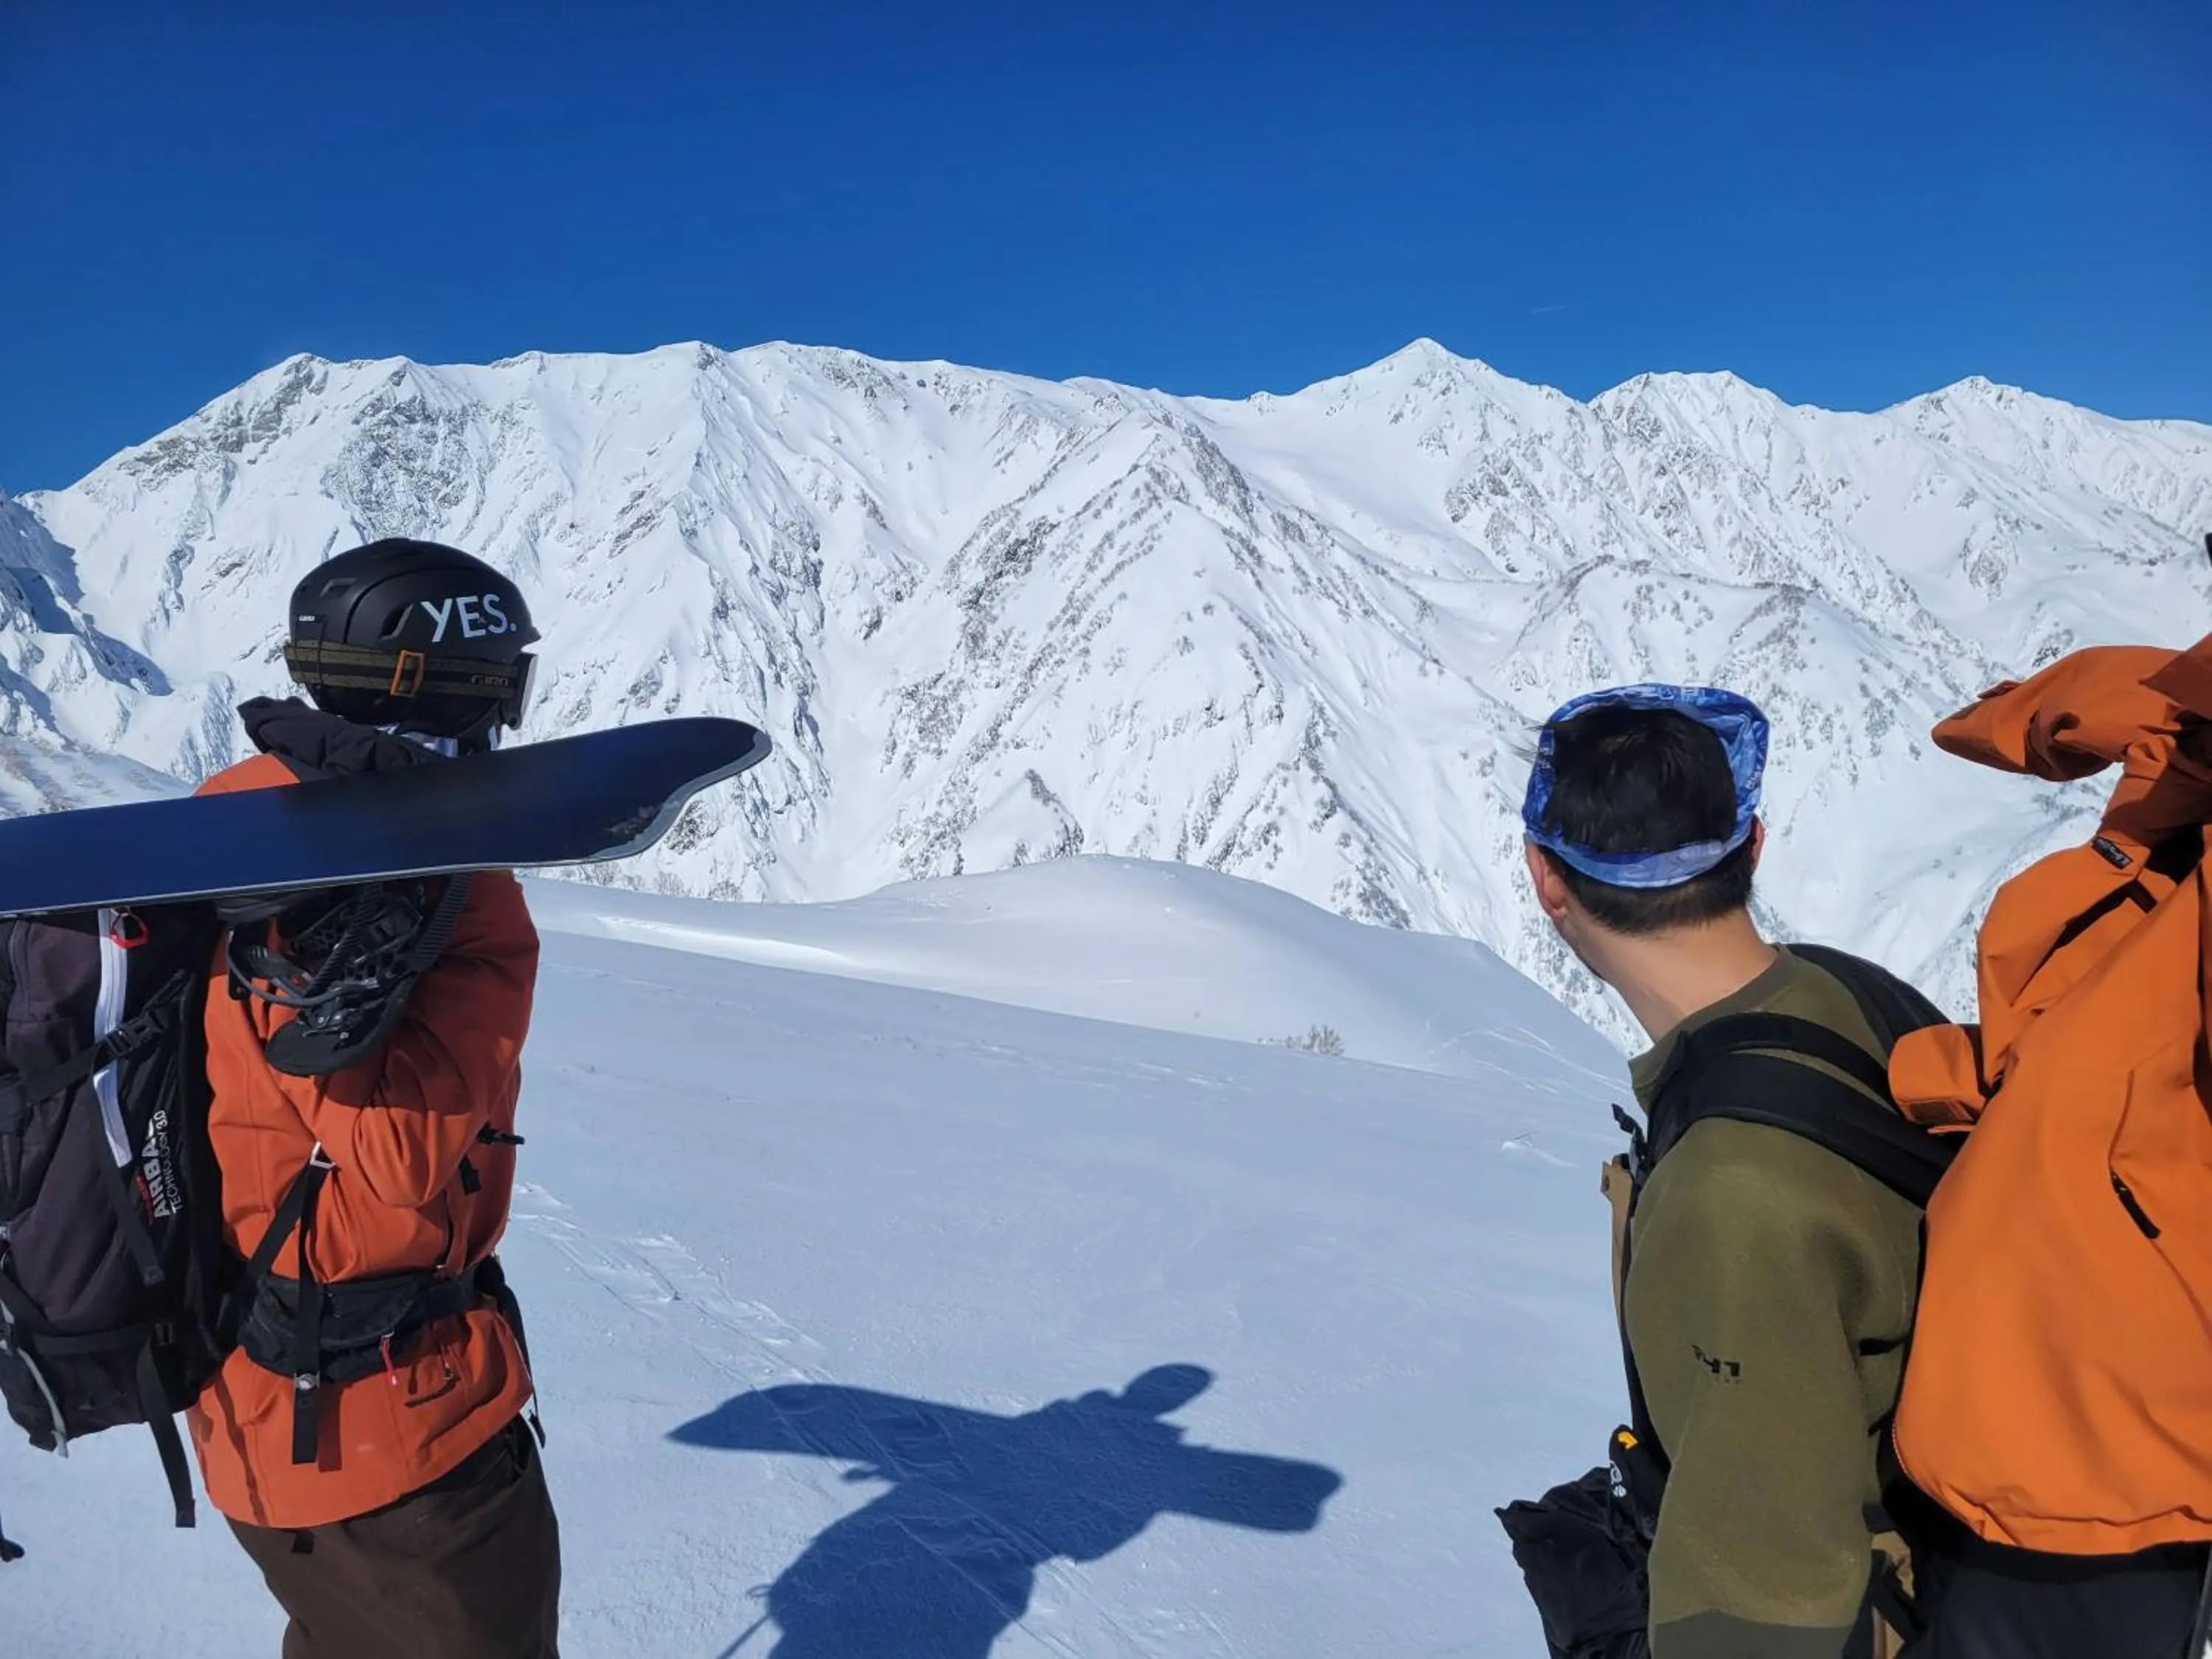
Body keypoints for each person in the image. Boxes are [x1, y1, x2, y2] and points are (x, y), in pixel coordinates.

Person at [184, 537, 560, 1658]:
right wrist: (473, 909)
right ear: (452, 684)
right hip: (397, 1450)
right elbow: (395, 1156)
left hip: (259, 1407)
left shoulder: (237, 818)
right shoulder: (432, 880)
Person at [1517, 684, 1948, 1659]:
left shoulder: (1733, 1189)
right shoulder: (1854, 997)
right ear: (1751, 845)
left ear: (1547, 880)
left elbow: (1769, 1612)